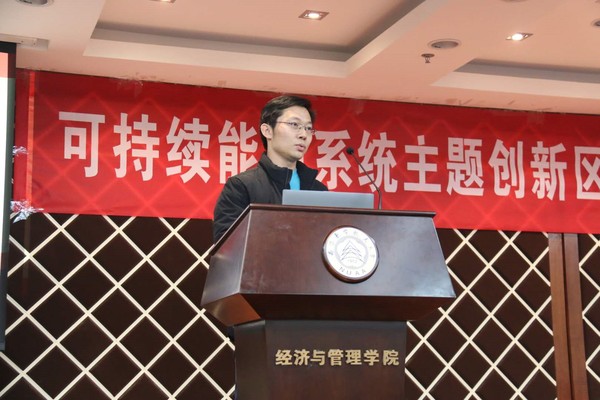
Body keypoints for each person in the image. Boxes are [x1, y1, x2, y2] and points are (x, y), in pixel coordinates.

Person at [213, 95, 328, 242]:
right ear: (267, 131)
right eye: (294, 124)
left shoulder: (319, 191)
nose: (303, 135)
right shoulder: (241, 186)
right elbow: (227, 244)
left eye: (308, 128)